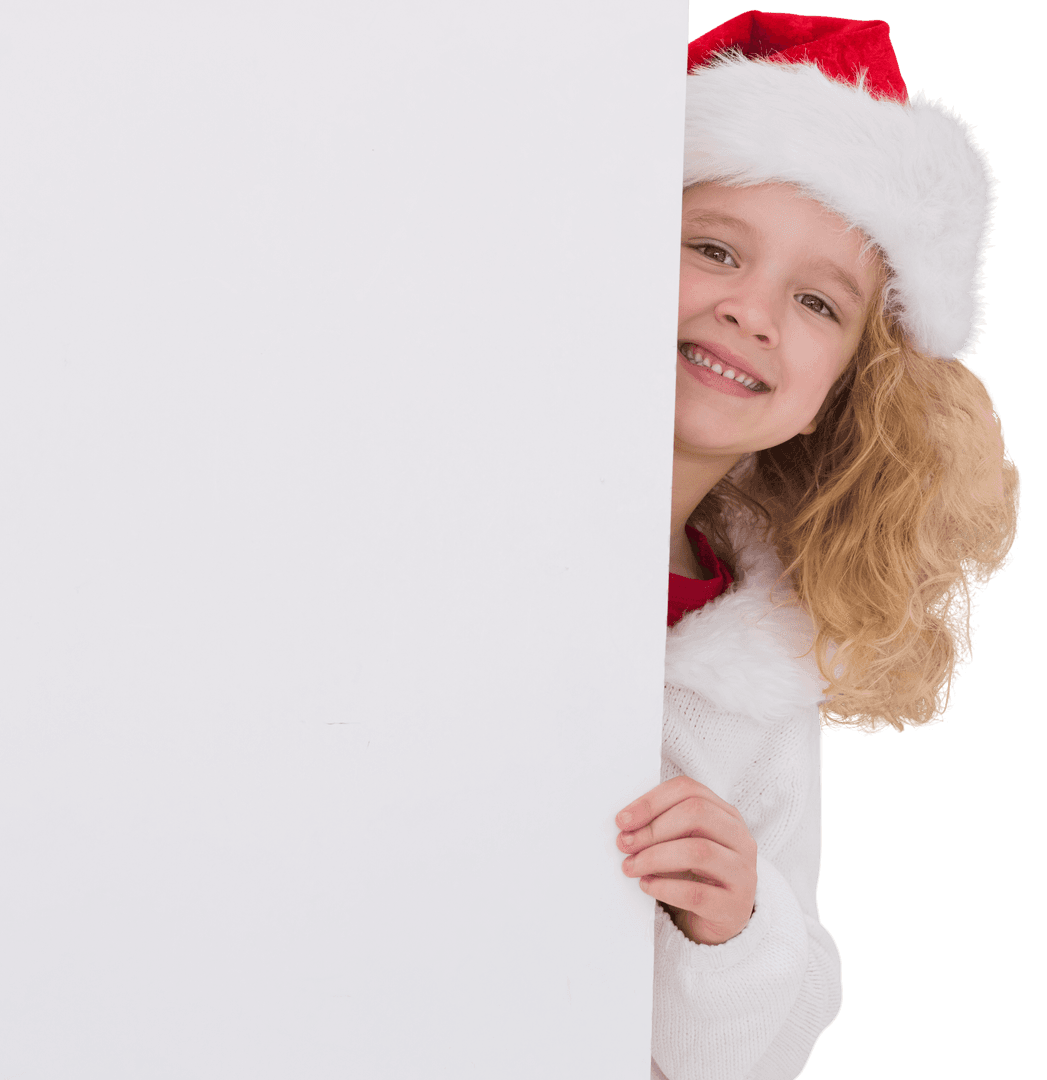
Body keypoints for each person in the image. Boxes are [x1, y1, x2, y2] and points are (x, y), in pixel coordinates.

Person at [612, 12, 1021, 1080]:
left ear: (843, 395)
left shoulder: (761, 671)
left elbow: (757, 1054)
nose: (751, 314)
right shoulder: (446, 510)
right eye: (713, 249)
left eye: (815, 303)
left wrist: (732, 924)